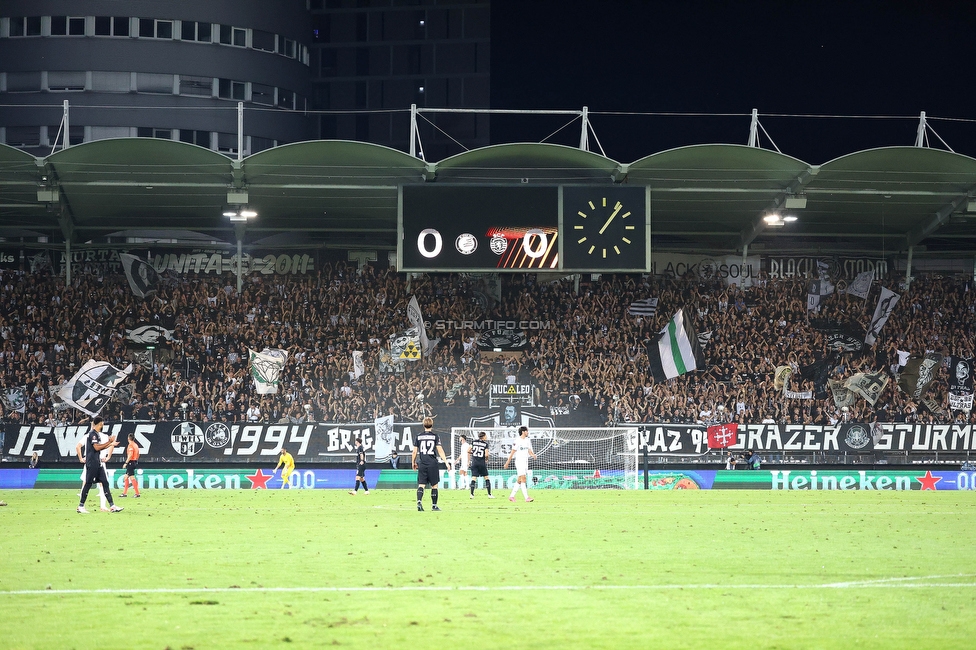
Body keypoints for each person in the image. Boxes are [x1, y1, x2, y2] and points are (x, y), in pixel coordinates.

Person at [77, 417, 123, 514]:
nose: (103, 425)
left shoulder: (96, 434)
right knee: (88, 484)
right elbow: (97, 448)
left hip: (98, 463)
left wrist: (111, 444)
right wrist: (109, 442)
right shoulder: (92, 434)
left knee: (105, 483)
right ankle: (81, 506)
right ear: (98, 424)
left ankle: (112, 506)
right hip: (92, 463)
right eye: (102, 424)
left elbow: (99, 448)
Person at [412, 416, 449, 512]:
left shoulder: (418, 436)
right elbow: (440, 450)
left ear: (423, 425)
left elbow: (414, 452)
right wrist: (446, 462)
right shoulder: (435, 436)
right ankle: (434, 505)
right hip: (432, 463)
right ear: (432, 425)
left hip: (422, 463)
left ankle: (419, 502)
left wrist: (413, 462)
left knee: (421, 484)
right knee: (434, 485)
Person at [503, 425, 537, 503]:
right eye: (527, 431)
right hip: (519, 461)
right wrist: (507, 462)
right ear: (523, 432)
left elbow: (529, 450)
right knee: (523, 478)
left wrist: (532, 455)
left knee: (519, 480)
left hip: (525, 461)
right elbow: (512, 452)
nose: (528, 432)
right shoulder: (517, 441)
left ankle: (511, 496)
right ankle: (527, 497)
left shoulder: (528, 440)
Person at [469, 431, 494, 499]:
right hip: (481, 463)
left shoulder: (473, 442)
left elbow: (468, 450)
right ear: (483, 437)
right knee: (486, 478)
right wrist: (486, 459)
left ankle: (471, 494)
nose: (486, 437)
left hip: (474, 462)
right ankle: (489, 494)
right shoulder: (485, 444)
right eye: (486, 436)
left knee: (474, 478)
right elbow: (486, 454)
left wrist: (474, 453)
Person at [120, 433, 141, 497]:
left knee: (131, 477)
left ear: (128, 438)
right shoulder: (136, 445)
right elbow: (138, 454)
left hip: (130, 462)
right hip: (134, 461)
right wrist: (136, 460)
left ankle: (137, 493)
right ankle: (124, 493)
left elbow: (130, 455)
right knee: (126, 477)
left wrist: (126, 463)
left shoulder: (130, 445)